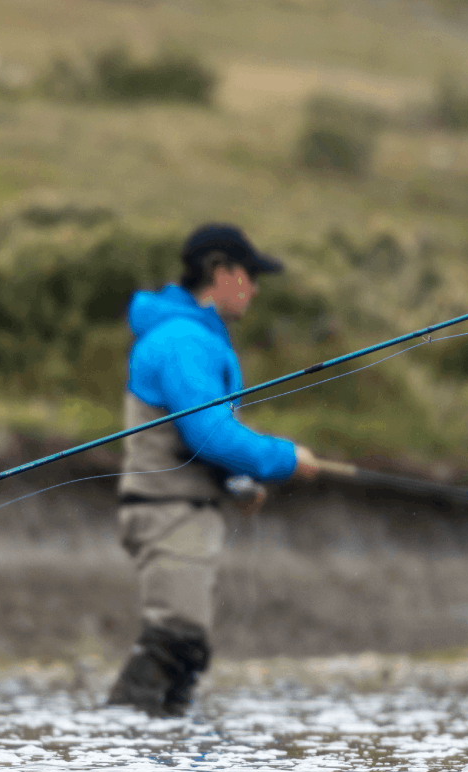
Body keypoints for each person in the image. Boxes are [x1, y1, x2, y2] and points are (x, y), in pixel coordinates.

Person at [106, 224, 320, 717]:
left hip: (180, 511)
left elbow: (196, 436)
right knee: (175, 640)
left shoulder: (189, 337)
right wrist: (286, 459)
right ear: (220, 272)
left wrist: (238, 482)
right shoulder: (183, 341)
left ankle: (159, 759)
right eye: (250, 274)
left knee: (186, 654)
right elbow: (208, 435)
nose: (255, 287)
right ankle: (117, 756)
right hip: (169, 514)